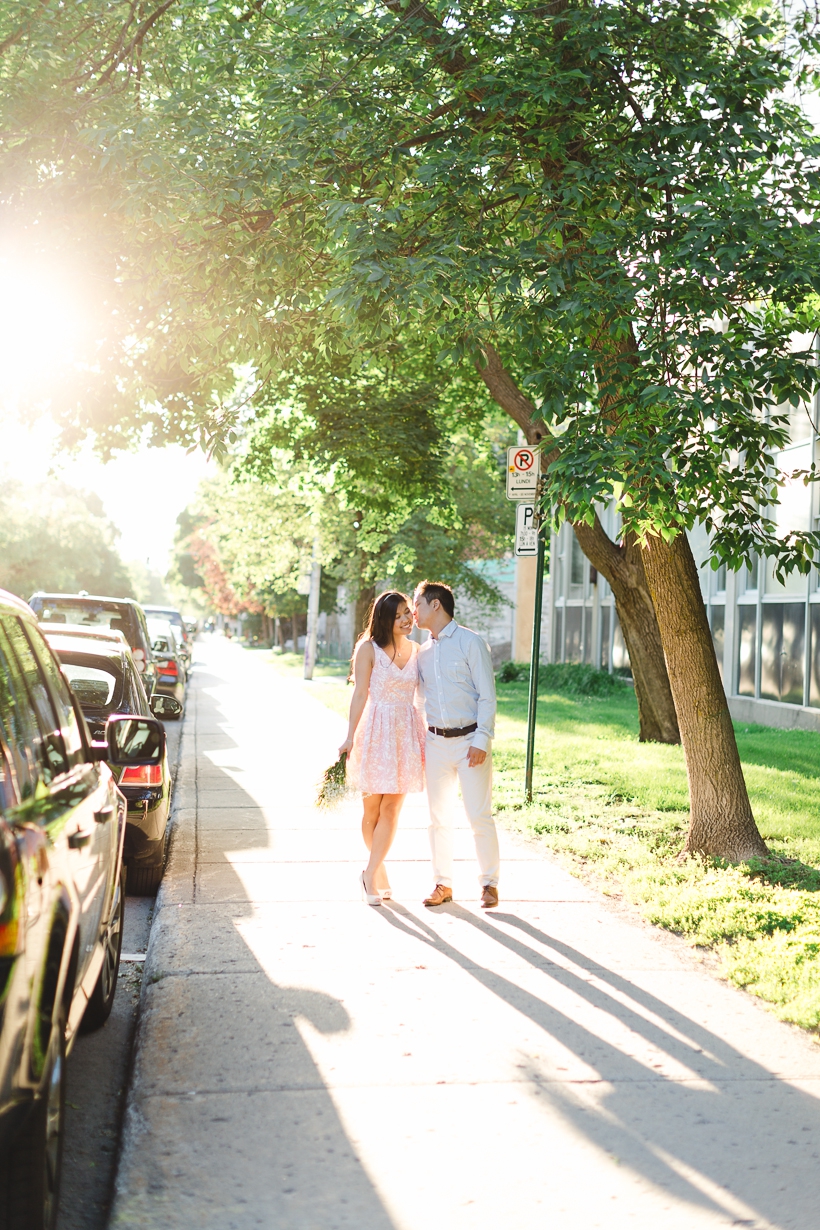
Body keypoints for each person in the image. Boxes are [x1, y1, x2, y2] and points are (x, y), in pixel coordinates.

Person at [413, 580, 500, 909]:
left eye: (417, 604)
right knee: (438, 818)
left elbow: (487, 696)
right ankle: (442, 884)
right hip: (436, 743)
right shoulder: (423, 652)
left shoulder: (470, 643)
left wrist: (482, 739)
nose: (414, 611)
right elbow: (422, 701)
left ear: (436, 605)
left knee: (479, 816)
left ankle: (490, 884)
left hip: (470, 741)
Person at [338, 591, 426, 906]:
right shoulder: (368, 649)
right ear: (386, 618)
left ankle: (368, 872)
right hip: (374, 731)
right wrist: (349, 737)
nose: (407, 619)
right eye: (400, 614)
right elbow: (360, 693)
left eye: (408, 613)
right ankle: (379, 871)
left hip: (405, 734)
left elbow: (422, 697)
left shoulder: (418, 650)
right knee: (372, 811)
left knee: (392, 809)